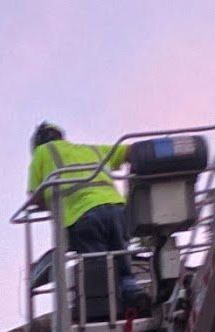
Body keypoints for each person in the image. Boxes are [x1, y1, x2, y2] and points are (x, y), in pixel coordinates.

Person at [27, 122, 148, 314]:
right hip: (116, 210)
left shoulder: (41, 154)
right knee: (121, 257)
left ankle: (104, 310)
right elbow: (130, 151)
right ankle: (132, 292)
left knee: (98, 269)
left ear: (37, 144)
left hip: (82, 216)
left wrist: (48, 204)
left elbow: (35, 197)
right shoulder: (88, 149)